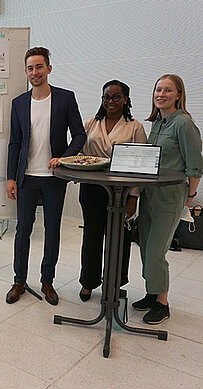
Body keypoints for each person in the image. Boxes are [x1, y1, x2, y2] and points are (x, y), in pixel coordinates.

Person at [5, 47, 86, 306]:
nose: (34, 72)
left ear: (48, 69)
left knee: (52, 230)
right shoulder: (19, 103)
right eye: (30, 68)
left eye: (39, 67)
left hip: (54, 178)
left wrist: (64, 158)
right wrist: (10, 177)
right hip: (26, 178)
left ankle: (47, 280)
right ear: (26, 72)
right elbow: (15, 143)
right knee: (22, 231)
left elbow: (80, 135)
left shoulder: (65, 98)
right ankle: (19, 280)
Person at [133, 74, 203, 324]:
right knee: (145, 248)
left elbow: (195, 166)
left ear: (179, 95)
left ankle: (163, 304)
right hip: (150, 195)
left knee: (155, 252)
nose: (161, 94)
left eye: (167, 90)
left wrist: (191, 195)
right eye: (157, 90)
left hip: (171, 197)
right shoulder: (158, 123)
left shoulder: (184, 124)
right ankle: (152, 294)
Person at [78, 80, 147, 302]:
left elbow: (141, 167)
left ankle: (114, 283)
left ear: (125, 99)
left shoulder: (135, 127)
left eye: (116, 97)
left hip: (122, 192)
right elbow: (79, 152)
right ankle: (88, 282)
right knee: (92, 237)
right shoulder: (91, 124)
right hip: (92, 190)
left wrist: (134, 197)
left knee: (119, 239)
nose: (110, 102)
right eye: (106, 97)